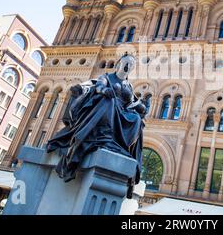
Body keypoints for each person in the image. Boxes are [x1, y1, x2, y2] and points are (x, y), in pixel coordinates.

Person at [46, 53, 147, 195]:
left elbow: (131, 103)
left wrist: (140, 107)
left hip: (122, 114)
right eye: (126, 62)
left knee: (137, 119)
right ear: (119, 63)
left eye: (131, 65)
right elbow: (99, 87)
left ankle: (121, 146)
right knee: (108, 101)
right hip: (105, 106)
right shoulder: (107, 77)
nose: (128, 66)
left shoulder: (128, 86)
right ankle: (104, 138)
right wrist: (105, 90)